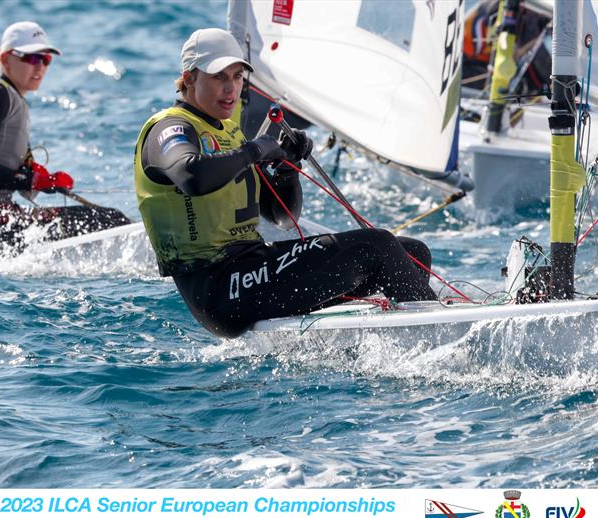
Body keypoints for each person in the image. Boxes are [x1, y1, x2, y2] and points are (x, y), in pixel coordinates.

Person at [134, 28, 438, 338]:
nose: (231, 88)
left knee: (413, 255)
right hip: (220, 289)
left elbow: (280, 216)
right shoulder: (169, 128)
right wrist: (254, 150)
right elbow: (191, 176)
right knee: (378, 245)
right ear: (189, 78)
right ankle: (435, 335)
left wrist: (286, 169)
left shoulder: (229, 133)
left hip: (252, 269)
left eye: (238, 77)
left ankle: (403, 342)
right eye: (218, 77)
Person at [0, 21, 130, 259]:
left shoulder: (6, 97)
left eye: (46, 59)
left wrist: (37, 177)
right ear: (5, 60)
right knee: (111, 219)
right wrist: (32, 180)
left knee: (105, 219)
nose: (40, 67)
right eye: (31, 58)